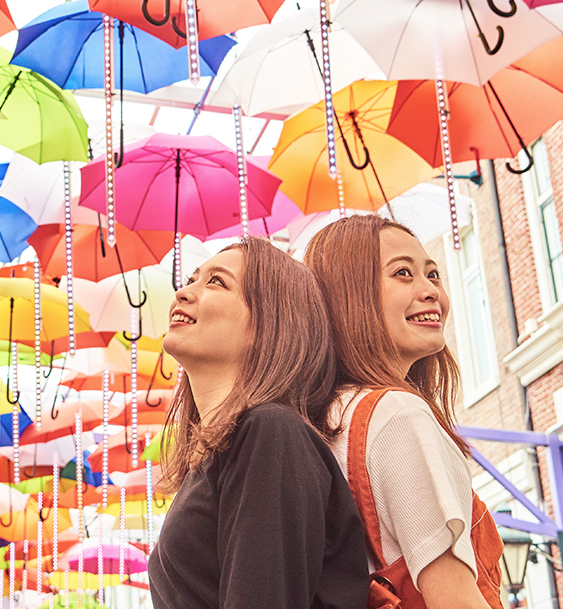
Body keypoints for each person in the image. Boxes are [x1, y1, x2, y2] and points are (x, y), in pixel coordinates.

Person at [148, 236, 370, 609]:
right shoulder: (213, 461)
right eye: (191, 278)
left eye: (216, 281)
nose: (184, 292)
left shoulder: (271, 434)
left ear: (268, 324)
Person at [304, 215, 504, 609]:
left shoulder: (326, 421)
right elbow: (455, 599)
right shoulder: (398, 415)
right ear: (349, 295)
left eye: (433, 274)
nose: (430, 290)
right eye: (403, 273)